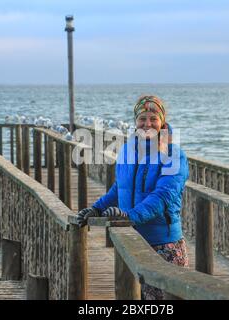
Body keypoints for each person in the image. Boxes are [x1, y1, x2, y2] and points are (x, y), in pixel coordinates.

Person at [76, 95, 189, 300]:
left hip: (163, 246)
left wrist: (129, 216)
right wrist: (97, 209)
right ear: (135, 121)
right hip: (131, 241)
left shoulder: (173, 154)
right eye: (142, 119)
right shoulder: (128, 149)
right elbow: (120, 188)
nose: (147, 124)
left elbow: (163, 197)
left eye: (153, 119)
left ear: (162, 121)